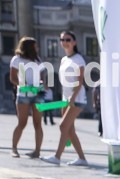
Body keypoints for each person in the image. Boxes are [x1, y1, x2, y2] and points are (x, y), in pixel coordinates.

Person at [41, 31, 88, 167]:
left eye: (67, 39)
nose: (64, 42)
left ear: (74, 42)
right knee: (70, 130)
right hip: (66, 98)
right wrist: (65, 99)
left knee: (63, 126)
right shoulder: (64, 60)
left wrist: (72, 98)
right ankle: (82, 159)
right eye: (62, 40)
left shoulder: (78, 59)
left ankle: (57, 157)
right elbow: (64, 82)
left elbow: (79, 82)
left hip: (77, 98)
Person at [9, 37, 45, 159]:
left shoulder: (38, 60)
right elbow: (13, 78)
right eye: (35, 46)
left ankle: (37, 151)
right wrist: (24, 86)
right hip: (23, 95)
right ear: (29, 47)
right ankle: (14, 149)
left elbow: (42, 77)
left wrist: (40, 85)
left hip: (37, 96)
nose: (38, 48)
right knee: (22, 123)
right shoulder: (17, 59)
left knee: (38, 124)